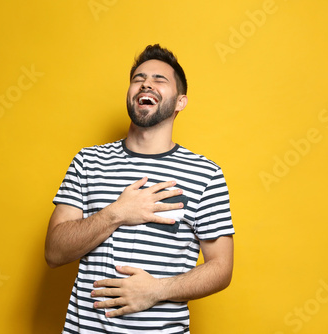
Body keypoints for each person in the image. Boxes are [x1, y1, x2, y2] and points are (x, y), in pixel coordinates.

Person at [45, 44, 235, 333]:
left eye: (160, 79)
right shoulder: (88, 162)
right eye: (138, 78)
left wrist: (156, 290)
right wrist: (117, 213)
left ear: (181, 102)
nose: (147, 83)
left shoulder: (206, 174)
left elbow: (221, 268)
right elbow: (54, 252)